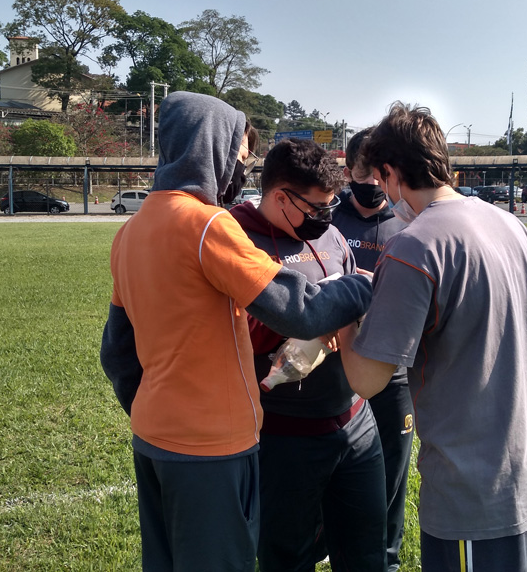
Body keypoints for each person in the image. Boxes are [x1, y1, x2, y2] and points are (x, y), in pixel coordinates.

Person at [99, 92, 372, 572]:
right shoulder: (208, 225)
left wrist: (155, 411)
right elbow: (300, 312)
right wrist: (364, 285)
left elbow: (116, 352)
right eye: (239, 157)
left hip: (152, 436)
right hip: (211, 446)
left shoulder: (131, 231)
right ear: (212, 149)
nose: (240, 171)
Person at [340, 102, 527, 572]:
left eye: (381, 179)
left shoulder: (412, 244)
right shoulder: (509, 223)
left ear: (391, 172)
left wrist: (342, 306)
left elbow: (367, 380)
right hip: (525, 460)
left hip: (471, 483)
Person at [231, 138, 386, 572]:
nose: (326, 216)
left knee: (366, 554)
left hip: (355, 420)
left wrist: (344, 315)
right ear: (281, 197)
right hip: (285, 435)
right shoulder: (237, 237)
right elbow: (237, 328)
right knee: (287, 557)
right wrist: (313, 320)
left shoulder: (329, 233)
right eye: (317, 207)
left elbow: (355, 292)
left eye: (330, 205)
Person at [331, 128, 411, 572]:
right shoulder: (327, 217)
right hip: (335, 367)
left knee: (392, 477)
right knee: (337, 473)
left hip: (394, 370)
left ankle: (387, 560)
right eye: (365, 174)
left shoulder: (408, 218)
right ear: (348, 172)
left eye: (381, 173)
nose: (374, 183)